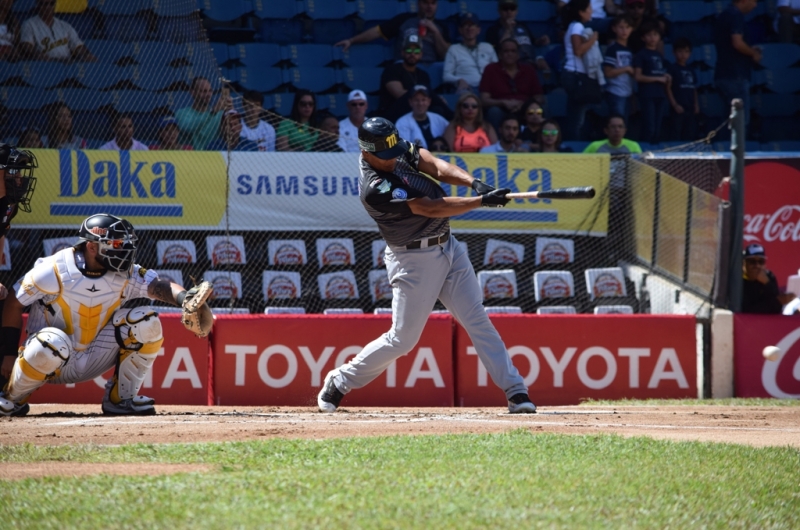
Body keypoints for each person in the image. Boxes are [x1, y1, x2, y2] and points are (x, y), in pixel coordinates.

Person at [317, 117, 537, 415]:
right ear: (366, 152)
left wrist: (473, 183)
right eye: (385, 156)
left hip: (448, 246)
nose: (393, 158)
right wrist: (481, 201)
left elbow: (432, 164)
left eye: (394, 151)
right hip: (414, 260)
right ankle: (340, 380)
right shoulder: (375, 187)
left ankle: (516, 391)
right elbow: (430, 208)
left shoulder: (392, 148)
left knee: (476, 319)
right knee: (402, 340)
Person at [0, 213, 214, 417]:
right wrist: (8, 354)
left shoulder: (125, 272)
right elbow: (13, 303)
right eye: (117, 244)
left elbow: (158, 286)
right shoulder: (53, 269)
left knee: (147, 320)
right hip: (48, 358)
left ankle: (121, 399)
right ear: (92, 247)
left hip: (96, 356)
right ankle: (12, 398)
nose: (124, 250)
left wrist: (185, 298)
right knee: (52, 341)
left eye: (125, 243)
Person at [334, 0, 450, 65]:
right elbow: (377, 32)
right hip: (404, 66)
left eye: (433, 3)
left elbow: (446, 55)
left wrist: (435, 32)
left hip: (429, 68)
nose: (429, 7)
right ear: (418, 4)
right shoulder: (404, 19)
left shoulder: (441, 27)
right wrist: (351, 40)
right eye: (425, 2)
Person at [378, 34, 453, 123]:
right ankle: (453, 117)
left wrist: (435, 99)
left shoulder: (423, 75)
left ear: (421, 54)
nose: (412, 54)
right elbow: (399, 94)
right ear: (402, 52)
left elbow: (426, 98)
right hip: (393, 114)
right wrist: (432, 97)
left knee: (437, 110)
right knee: (424, 88)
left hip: (416, 112)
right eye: (409, 50)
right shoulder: (392, 69)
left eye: (416, 51)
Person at [714, 0, 761, 129]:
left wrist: (749, 49)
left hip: (723, 74)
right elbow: (737, 43)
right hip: (735, 76)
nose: (755, 5)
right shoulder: (736, 15)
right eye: (754, 1)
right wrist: (753, 53)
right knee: (739, 122)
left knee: (728, 121)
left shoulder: (724, 14)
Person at [479, 38, 544, 132]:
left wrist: (524, 104)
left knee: (541, 109)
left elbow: (539, 97)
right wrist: (503, 102)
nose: (510, 54)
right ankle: (498, 140)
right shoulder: (490, 69)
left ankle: (541, 139)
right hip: (501, 108)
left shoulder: (528, 70)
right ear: (500, 54)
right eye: (506, 51)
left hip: (525, 108)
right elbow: (484, 100)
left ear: (518, 54)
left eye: (513, 51)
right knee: (494, 111)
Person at [0, 144, 36, 306]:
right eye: (13, 171)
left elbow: (0, 234)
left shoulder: (8, 205)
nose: (20, 178)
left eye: (20, 172)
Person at [560, 0, 601, 141]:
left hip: (574, 75)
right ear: (581, 12)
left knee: (576, 115)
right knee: (576, 118)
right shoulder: (577, 26)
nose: (591, 11)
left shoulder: (573, 26)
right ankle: (573, 145)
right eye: (589, 8)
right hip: (575, 75)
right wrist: (593, 39)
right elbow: (578, 51)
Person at [19, 0, 96, 62]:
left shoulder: (65, 25)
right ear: (38, 4)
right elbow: (26, 46)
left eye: (51, 3)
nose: (48, 7)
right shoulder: (29, 24)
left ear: (55, 5)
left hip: (67, 63)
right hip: (45, 65)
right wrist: (38, 55)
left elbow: (77, 45)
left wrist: (86, 54)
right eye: (44, 4)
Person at [442, 13, 497, 95]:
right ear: (460, 30)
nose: (469, 28)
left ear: (478, 30)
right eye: (466, 25)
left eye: (472, 25)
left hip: (488, 89)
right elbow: (446, 76)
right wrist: (459, 80)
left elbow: (497, 71)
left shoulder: (488, 47)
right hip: (466, 89)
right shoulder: (454, 49)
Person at [633, 20, 669, 145]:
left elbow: (660, 72)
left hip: (660, 94)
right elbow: (638, 76)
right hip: (647, 94)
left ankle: (655, 150)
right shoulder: (641, 55)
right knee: (650, 126)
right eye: (649, 35)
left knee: (658, 127)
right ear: (643, 38)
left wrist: (664, 76)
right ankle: (645, 149)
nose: (652, 38)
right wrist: (657, 79)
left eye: (655, 34)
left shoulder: (659, 55)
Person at [485, 0, 550, 68]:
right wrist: (508, 30)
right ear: (499, 11)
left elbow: (532, 41)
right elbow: (496, 51)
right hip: (510, 66)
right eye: (505, 8)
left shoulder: (522, 25)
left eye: (512, 8)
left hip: (530, 62)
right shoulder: (493, 30)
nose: (509, 11)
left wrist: (541, 40)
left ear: (516, 11)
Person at [176, 77, 231, 151]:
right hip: (189, 156)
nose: (208, 94)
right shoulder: (181, 113)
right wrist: (212, 112)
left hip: (214, 156)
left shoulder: (219, 114)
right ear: (192, 92)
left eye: (210, 91)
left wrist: (230, 110)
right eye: (204, 91)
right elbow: (188, 127)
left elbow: (233, 132)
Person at [741, 243, 796, 314]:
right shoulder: (739, 280)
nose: (757, 265)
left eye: (761, 262)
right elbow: (747, 310)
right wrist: (777, 302)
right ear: (744, 264)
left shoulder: (769, 276)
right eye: (752, 262)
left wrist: (767, 283)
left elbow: (777, 305)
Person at [603, 15, 635, 125]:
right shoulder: (612, 49)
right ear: (614, 29)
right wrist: (626, 69)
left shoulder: (630, 50)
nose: (624, 31)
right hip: (615, 92)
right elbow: (608, 72)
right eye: (621, 27)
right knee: (617, 124)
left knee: (624, 125)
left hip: (628, 93)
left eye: (627, 27)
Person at [395, 85, 449, 150]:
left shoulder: (439, 119)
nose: (420, 103)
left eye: (423, 100)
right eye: (416, 100)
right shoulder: (402, 123)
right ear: (410, 102)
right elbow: (403, 150)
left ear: (429, 102)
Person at [666, 38, 699, 142]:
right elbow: (668, 88)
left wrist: (696, 104)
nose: (683, 55)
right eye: (680, 51)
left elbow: (694, 88)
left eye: (686, 51)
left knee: (689, 133)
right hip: (678, 107)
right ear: (674, 52)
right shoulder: (672, 69)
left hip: (690, 107)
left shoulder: (691, 70)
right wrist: (675, 105)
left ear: (690, 53)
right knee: (675, 133)